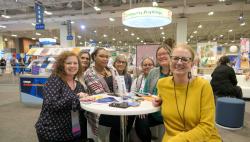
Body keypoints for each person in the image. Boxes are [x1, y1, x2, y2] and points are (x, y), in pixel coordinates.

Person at [153, 44, 221, 141]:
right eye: (175, 58)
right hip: (171, 138)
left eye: (185, 59)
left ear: (192, 64)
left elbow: (207, 126)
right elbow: (161, 98)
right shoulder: (162, 84)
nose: (179, 62)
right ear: (170, 61)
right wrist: (158, 100)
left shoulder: (203, 86)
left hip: (203, 138)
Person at [35, 51, 93, 142]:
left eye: (75, 63)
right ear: (62, 65)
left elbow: (79, 106)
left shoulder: (78, 85)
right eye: (68, 63)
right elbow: (52, 104)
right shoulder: (55, 79)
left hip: (72, 131)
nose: (72, 66)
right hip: (51, 131)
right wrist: (77, 98)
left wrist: (87, 99)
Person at [83, 48, 134, 142]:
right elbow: (101, 95)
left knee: (132, 114)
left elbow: (119, 88)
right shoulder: (89, 73)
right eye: (101, 56)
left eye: (107, 57)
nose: (105, 59)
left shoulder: (111, 69)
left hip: (116, 104)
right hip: (100, 109)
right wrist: (118, 98)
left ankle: (119, 137)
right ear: (94, 57)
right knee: (119, 120)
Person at [137, 45, 171, 141]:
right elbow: (146, 93)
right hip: (153, 112)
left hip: (171, 113)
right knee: (140, 123)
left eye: (165, 53)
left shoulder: (176, 72)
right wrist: (143, 109)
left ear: (171, 55)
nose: (161, 56)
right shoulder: (153, 72)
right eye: (159, 55)